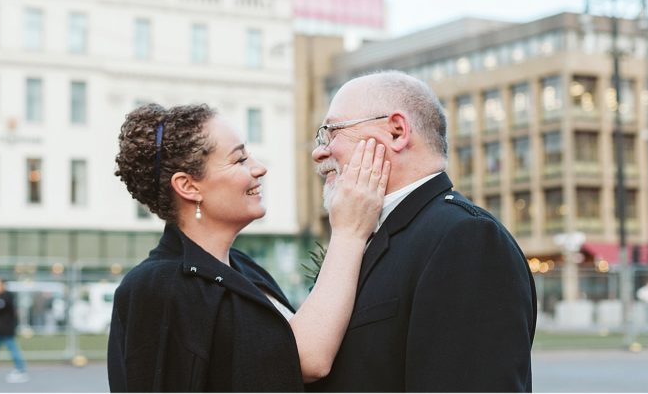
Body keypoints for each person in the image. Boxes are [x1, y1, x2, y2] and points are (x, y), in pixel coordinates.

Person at [108, 103, 389, 392]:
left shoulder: (242, 267)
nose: (259, 168)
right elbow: (306, 360)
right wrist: (348, 232)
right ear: (189, 186)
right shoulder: (157, 286)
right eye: (240, 160)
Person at [309, 71, 536, 392]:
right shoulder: (362, 235)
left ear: (397, 131)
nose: (320, 152)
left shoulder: (466, 239)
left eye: (331, 132)